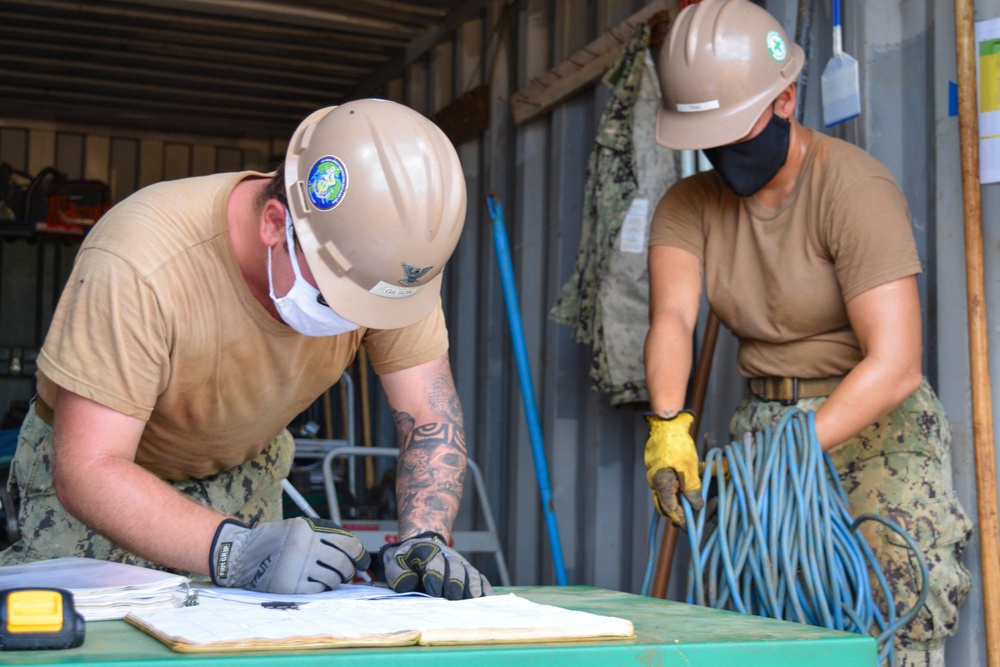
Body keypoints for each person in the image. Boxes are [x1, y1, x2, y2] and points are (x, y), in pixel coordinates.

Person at [0, 99, 492, 601]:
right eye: (336, 299)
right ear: (276, 224)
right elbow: (88, 467)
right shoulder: (140, 260)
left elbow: (428, 414)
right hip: (106, 483)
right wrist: (234, 550)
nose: (357, 319)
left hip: (244, 471)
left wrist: (425, 540)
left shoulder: (386, 267)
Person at [642, 1, 970, 665]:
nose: (723, 153)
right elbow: (673, 317)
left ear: (786, 98)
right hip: (766, 416)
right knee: (764, 620)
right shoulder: (689, 205)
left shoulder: (852, 187)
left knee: (895, 611)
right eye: (710, 138)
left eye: (736, 131)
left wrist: (790, 454)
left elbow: (897, 360)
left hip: (877, 424)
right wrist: (668, 424)